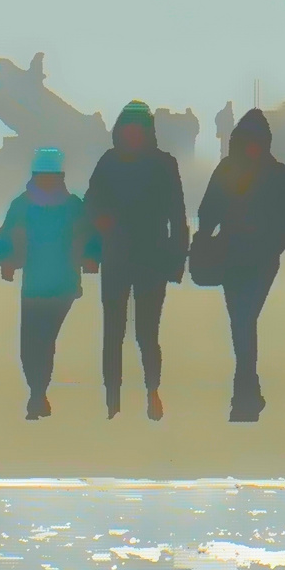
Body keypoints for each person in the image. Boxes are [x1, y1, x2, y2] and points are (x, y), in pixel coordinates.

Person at [194, 108, 285, 422]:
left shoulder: (273, 173)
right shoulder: (247, 171)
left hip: (256, 260)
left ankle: (245, 394)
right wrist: (205, 237)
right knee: (243, 321)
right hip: (238, 258)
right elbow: (207, 211)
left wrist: (273, 245)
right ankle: (247, 392)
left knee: (243, 320)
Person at [84, 102, 186, 421]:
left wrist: (177, 261)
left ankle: (152, 392)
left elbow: (178, 217)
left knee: (146, 333)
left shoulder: (164, 164)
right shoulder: (109, 162)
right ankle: (112, 401)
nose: (132, 133)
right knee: (113, 333)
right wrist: (90, 252)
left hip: (152, 259)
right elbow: (90, 208)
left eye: (138, 127)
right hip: (115, 257)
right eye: (128, 127)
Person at [0, 147, 102, 419]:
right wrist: (7, 261)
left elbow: (90, 238)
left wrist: (7, 262)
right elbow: (4, 237)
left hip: (53, 286)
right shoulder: (62, 205)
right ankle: (37, 393)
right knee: (39, 341)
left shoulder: (36, 204)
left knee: (37, 340)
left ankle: (37, 392)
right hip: (48, 285)